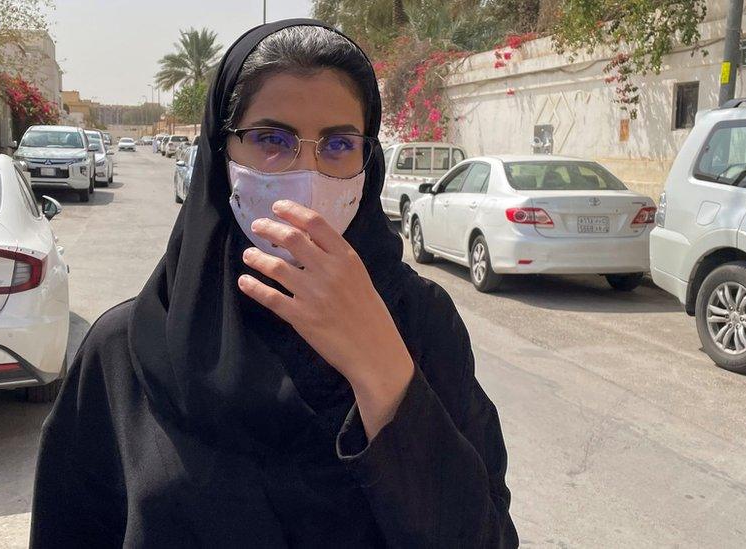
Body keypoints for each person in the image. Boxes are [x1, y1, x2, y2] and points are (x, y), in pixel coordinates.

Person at [30, 19, 517, 548]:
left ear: (367, 160)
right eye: (271, 140)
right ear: (222, 154)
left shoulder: (421, 324)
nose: (306, 174)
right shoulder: (125, 349)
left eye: (338, 145)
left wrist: (384, 374)